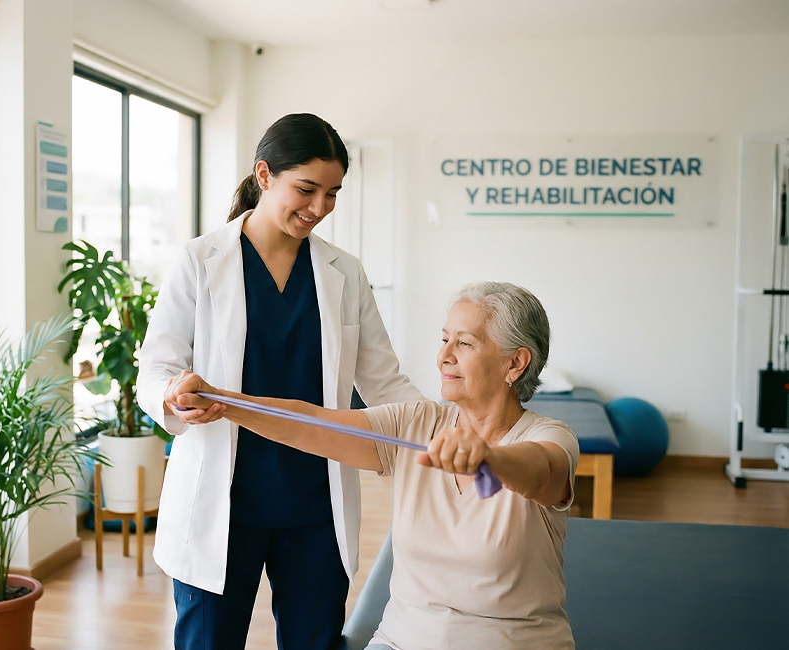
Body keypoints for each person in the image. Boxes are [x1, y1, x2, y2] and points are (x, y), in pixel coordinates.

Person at [137, 112, 424, 650]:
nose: (320, 208)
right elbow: (155, 369)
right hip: (223, 504)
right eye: (307, 189)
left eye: (332, 193)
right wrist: (173, 395)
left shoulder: (344, 272)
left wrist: (452, 430)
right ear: (265, 175)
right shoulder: (200, 260)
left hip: (315, 505)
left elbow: (385, 382)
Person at [166, 281, 580, 650]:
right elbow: (311, 425)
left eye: (465, 344)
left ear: (515, 363)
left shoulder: (549, 437)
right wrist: (220, 400)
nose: (444, 356)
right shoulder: (418, 422)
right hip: (402, 641)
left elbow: (540, 471)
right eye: (444, 340)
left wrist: (490, 457)